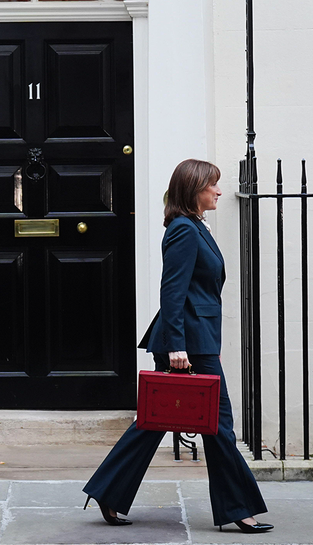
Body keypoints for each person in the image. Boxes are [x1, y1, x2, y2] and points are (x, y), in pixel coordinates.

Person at [82, 159, 272, 534]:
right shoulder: (184, 230)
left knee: (155, 421)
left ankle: (108, 490)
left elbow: (200, 292)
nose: (219, 191)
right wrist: (178, 347)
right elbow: (172, 292)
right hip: (185, 344)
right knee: (218, 426)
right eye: (212, 186)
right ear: (193, 190)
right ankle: (239, 508)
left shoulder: (195, 227)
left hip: (197, 341)